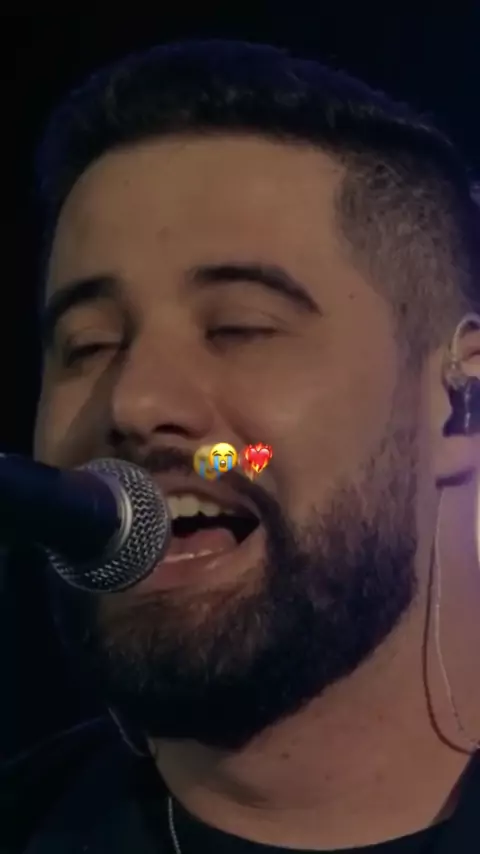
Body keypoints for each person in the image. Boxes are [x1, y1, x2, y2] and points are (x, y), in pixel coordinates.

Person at [2, 38, 480, 854]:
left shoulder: (236, 461)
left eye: (239, 328)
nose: (134, 401)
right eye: (88, 345)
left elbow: (244, 460)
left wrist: (232, 461)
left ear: (457, 407)